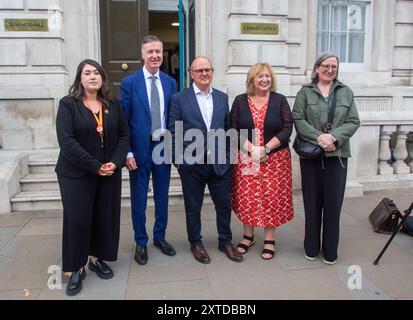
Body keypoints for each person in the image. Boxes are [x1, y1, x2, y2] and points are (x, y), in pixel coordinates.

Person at [55, 59, 129, 296]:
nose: (93, 77)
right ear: (80, 79)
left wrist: (115, 163)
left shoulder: (112, 104)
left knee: (103, 216)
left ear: (103, 78)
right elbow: (67, 142)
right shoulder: (69, 105)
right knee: (77, 219)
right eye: (87, 73)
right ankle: (76, 267)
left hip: (107, 171)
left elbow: (123, 136)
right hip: (76, 173)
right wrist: (95, 166)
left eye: (97, 73)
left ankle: (96, 259)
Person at [168, 56, 243, 264]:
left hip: (219, 164)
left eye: (208, 70)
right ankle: (196, 243)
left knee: (223, 205)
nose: (204, 73)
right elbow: (173, 131)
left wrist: (228, 156)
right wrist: (178, 160)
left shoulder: (221, 97)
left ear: (212, 72)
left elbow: (228, 128)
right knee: (193, 207)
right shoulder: (179, 99)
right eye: (199, 70)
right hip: (191, 165)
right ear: (191, 74)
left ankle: (225, 241)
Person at [292, 52, 360, 265]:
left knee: (333, 205)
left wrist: (334, 137)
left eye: (334, 67)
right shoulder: (305, 92)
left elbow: (353, 121)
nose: (330, 70)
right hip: (311, 156)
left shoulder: (346, 92)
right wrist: (319, 138)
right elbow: (298, 118)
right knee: (312, 204)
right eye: (326, 66)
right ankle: (311, 247)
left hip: (337, 156)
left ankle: (330, 251)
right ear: (317, 68)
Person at [120, 35, 177, 266]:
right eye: (150, 52)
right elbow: (123, 121)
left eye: (158, 51)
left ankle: (160, 238)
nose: (154, 56)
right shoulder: (129, 83)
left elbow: (173, 118)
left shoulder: (170, 82)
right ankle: (141, 241)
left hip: (162, 149)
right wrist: (128, 152)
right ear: (142, 55)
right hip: (140, 151)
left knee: (162, 196)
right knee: (139, 199)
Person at [230, 63, 294, 260]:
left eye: (267, 76)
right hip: (246, 158)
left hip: (275, 159)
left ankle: (269, 239)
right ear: (252, 80)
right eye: (260, 76)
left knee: (271, 197)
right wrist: (252, 150)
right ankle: (248, 236)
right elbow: (232, 129)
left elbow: (287, 127)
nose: (264, 79)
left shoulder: (280, 100)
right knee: (247, 196)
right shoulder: (240, 101)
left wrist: (265, 149)